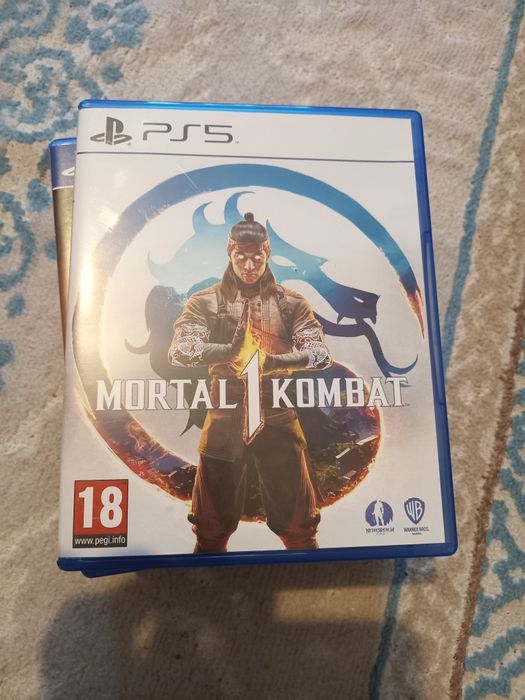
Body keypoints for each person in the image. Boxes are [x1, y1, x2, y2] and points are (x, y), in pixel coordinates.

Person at [169, 213, 332, 552]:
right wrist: (226, 351)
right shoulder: (205, 301)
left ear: (267, 253)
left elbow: (319, 354)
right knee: (210, 530)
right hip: (224, 415)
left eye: (256, 257)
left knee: (300, 528)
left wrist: (275, 362)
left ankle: (311, 572)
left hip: (277, 415)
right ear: (230, 252)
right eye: (241, 256)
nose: (248, 265)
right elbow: (180, 351)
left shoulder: (290, 303)